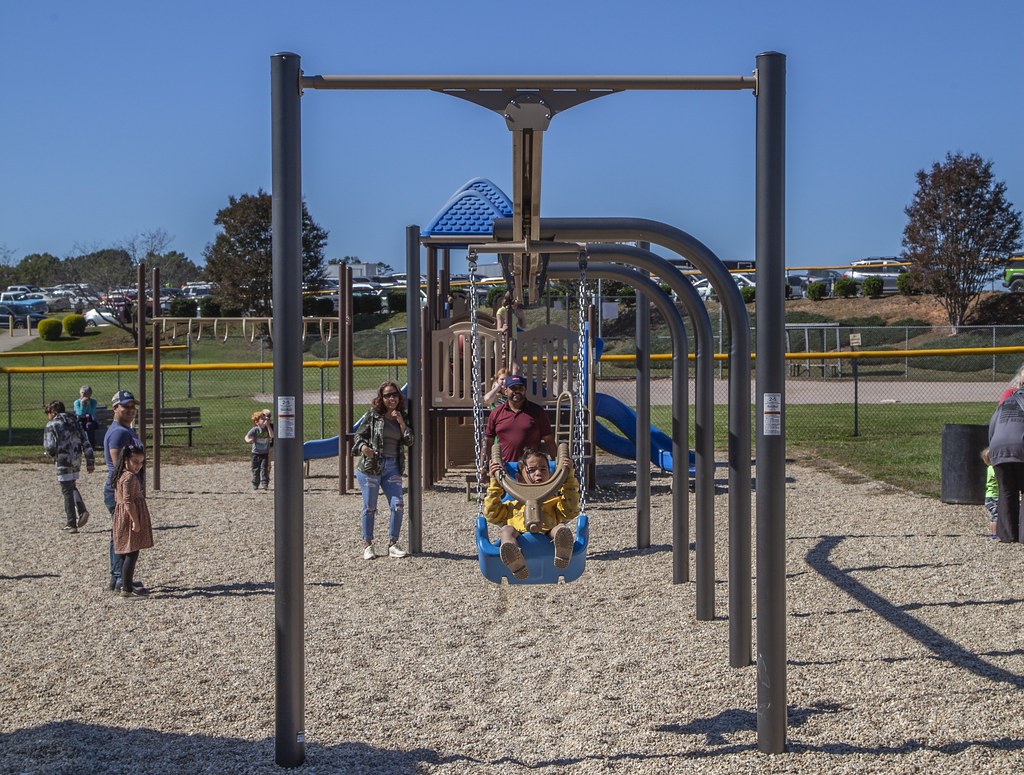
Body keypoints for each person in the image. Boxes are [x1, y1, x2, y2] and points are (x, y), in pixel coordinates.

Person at [484, 447, 579, 580]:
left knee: (559, 528)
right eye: (532, 470)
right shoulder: (512, 506)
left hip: (548, 540)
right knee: (506, 530)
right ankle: (514, 558)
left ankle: (563, 550)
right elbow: (491, 514)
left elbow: (571, 510)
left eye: (543, 469)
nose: (538, 473)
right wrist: (495, 480)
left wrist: (568, 475)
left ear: (551, 476)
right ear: (519, 478)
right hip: (519, 538)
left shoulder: (554, 503)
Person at [352, 381, 414, 560]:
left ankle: (393, 544)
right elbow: (358, 436)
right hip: (371, 467)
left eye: (394, 394)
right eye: (387, 395)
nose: (391, 398)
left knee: (398, 505)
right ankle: (368, 545)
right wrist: (364, 447)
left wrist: (401, 422)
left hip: (393, 466)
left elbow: (410, 441)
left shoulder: (402, 416)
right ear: (381, 398)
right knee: (370, 507)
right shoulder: (373, 415)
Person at [103, 390, 144, 591]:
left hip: (128, 490)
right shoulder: (119, 432)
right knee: (121, 536)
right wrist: (128, 490)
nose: (130, 410)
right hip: (120, 492)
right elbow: (118, 466)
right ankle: (119, 577)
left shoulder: (127, 430)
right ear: (115, 408)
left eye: (132, 407)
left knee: (122, 535)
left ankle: (120, 577)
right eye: (125, 407)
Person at [483, 374, 555, 471]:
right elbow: (488, 441)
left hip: (531, 469)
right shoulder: (496, 413)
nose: (516, 391)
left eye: (520, 388)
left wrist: (557, 462)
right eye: (513, 388)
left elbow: (549, 440)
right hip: (504, 468)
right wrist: (482, 466)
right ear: (506, 391)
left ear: (525, 390)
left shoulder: (537, 411)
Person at [43, 400, 94, 534]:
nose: (48, 416)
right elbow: (86, 442)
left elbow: (50, 446)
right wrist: (90, 461)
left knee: (66, 490)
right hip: (76, 460)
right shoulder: (75, 422)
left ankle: (71, 523)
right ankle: (82, 511)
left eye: (48, 413)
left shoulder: (52, 425)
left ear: (53, 412)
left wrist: (50, 454)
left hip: (63, 460)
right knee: (71, 486)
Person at [112, 444, 153, 598]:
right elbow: (128, 502)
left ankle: (124, 583)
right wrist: (136, 521)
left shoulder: (121, 475)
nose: (138, 466)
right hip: (129, 518)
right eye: (135, 462)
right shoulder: (128, 477)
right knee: (131, 552)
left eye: (141, 463)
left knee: (124, 551)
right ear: (126, 460)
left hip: (122, 517)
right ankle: (127, 588)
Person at [988, 387, 1024, 543]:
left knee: (1006, 491)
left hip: (998, 450)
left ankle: (1008, 535)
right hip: (1020, 449)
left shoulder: (1005, 403)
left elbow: (992, 427)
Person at [244, 410, 274, 490]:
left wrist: (268, 426)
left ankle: (265, 482)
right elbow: (247, 436)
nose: (265, 420)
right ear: (257, 422)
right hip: (255, 453)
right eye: (263, 419)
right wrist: (248, 440)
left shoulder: (268, 429)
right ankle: (255, 483)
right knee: (255, 468)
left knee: (264, 467)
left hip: (264, 453)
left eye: (265, 419)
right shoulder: (255, 430)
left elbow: (272, 435)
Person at [981, 448, 999, 540]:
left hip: (989, 495)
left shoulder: (989, 468)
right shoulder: (993, 468)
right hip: (994, 495)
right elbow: (997, 476)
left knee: (994, 515)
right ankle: (995, 533)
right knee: (996, 515)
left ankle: (993, 533)